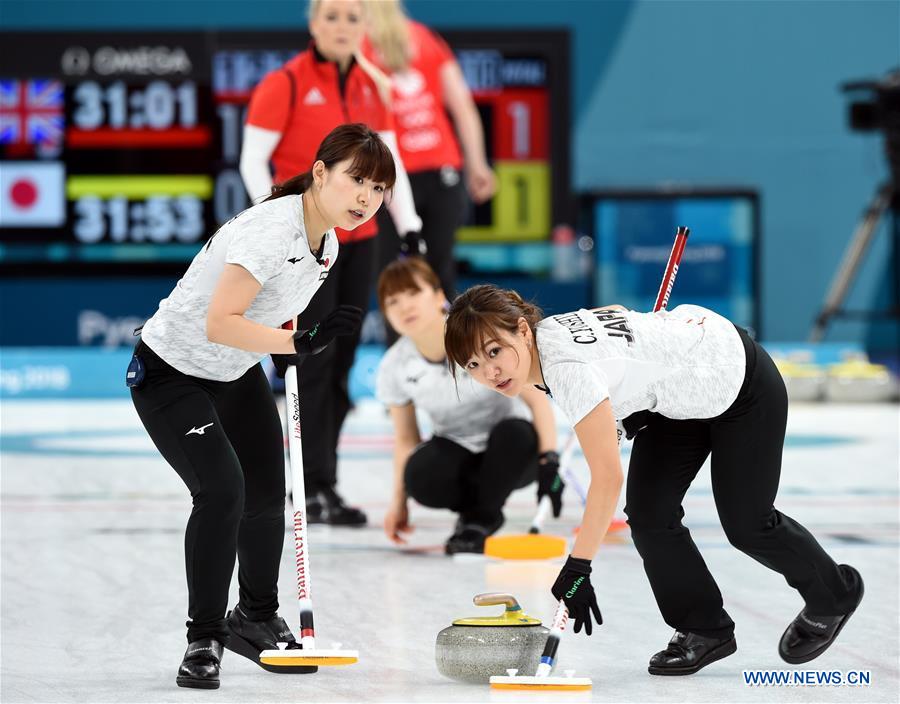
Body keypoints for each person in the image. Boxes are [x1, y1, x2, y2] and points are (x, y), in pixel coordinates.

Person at [444, 285, 864, 674]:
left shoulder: (567, 370)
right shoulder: (548, 330)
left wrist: (578, 567)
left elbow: (607, 479)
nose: (490, 372)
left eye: (495, 351)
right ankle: (705, 628)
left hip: (739, 381)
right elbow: (614, 313)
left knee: (747, 523)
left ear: (522, 329)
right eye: (474, 365)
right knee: (648, 514)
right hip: (680, 396)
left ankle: (835, 593)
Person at [130, 124, 395, 689]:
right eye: (356, 181)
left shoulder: (328, 242)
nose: (366, 199)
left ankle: (252, 618)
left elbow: (270, 312)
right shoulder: (270, 230)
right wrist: (298, 343)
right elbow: (219, 322)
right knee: (223, 490)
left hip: (233, 371)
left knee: (269, 494)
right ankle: (203, 637)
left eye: (378, 189)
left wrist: (288, 346)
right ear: (320, 172)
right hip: (172, 373)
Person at [240, 0, 423, 526]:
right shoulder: (286, 82)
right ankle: (303, 484)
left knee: (340, 365)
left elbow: (391, 163)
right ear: (313, 23)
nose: (343, 26)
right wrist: (275, 220)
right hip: (305, 238)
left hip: (359, 239)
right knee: (309, 363)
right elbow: (252, 158)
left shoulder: (372, 83)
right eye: (333, 16)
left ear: (367, 26)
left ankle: (324, 483)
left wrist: (408, 225)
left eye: (353, 17)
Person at [374, 258, 560, 553]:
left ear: (438, 296)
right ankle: (476, 510)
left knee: (515, 434)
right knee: (419, 474)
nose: (405, 306)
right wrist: (399, 502)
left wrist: (550, 460)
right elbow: (406, 439)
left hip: (511, 451)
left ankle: (481, 519)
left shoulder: (475, 334)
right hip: (457, 452)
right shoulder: (394, 366)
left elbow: (537, 402)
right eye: (393, 301)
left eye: (413, 293)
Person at [363, 0, 496, 302]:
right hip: (401, 175)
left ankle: (434, 348)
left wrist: (477, 164)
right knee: (432, 272)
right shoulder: (410, 38)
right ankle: (432, 349)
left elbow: (461, 106)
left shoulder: (419, 38)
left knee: (394, 275)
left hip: (421, 173)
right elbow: (462, 106)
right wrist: (477, 164)